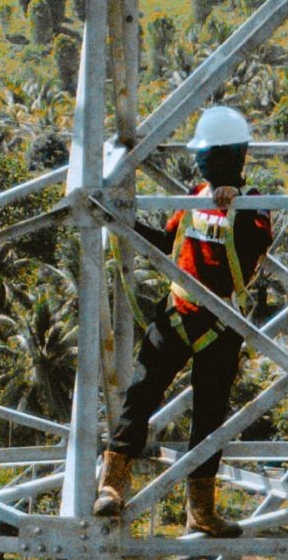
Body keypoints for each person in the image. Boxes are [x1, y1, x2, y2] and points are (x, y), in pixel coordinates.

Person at [94, 105, 274, 537]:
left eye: (208, 156)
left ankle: (201, 510)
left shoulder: (254, 207)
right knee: (141, 395)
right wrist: (127, 226)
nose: (201, 163)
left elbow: (256, 244)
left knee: (209, 418)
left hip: (220, 323)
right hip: (177, 311)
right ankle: (112, 487)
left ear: (231, 157)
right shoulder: (193, 197)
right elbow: (168, 240)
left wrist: (235, 205)